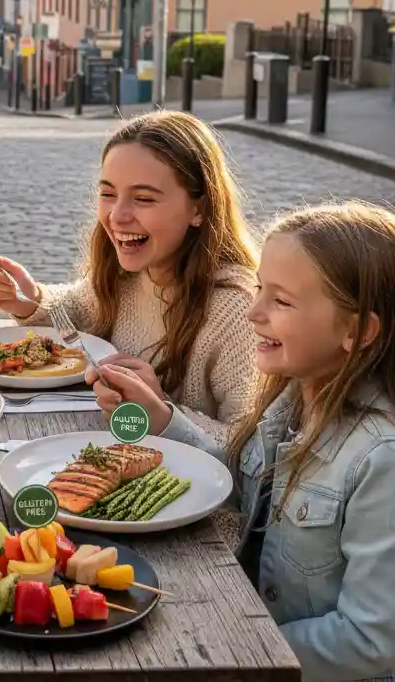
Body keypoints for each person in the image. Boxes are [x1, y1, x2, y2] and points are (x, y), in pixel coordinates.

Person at [92, 202, 395, 682]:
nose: (252, 312)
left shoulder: (382, 460)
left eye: (282, 301)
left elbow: (370, 640)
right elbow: (242, 486)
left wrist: (233, 645)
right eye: (259, 290)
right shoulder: (292, 398)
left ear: (357, 332)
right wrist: (160, 417)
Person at [0, 111, 260, 435]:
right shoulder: (130, 274)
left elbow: (254, 453)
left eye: (143, 198)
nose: (117, 215)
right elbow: (75, 309)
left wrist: (164, 415)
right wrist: (30, 300)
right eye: (108, 194)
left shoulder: (237, 310)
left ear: (198, 209)